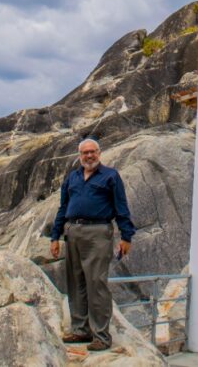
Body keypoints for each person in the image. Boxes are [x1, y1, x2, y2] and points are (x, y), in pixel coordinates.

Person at [50, 137, 135, 352]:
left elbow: (121, 207)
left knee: (96, 283)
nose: (89, 156)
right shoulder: (72, 178)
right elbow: (63, 208)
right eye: (85, 152)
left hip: (98, 232)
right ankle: (80, 330)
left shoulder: (110, 176)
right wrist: (54, 236)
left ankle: (101, 336)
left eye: (93, 152)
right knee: (75, 282)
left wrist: (127, 236)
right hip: (73, 231)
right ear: (80, 156)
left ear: (99, 153)